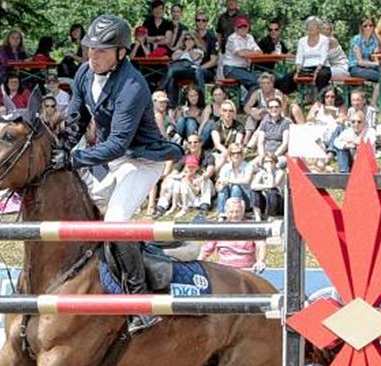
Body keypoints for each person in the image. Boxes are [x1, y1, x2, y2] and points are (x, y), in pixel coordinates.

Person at [63, 14, 183, 333]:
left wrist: (74, 160)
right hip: (112, 158)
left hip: (142, 160)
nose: (92, 55)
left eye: (102, 50)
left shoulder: (133, 85)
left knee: (115, 221)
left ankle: (138, 304)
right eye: (90, 48)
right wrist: (60, 151)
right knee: (83, 205)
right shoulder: (83, 74)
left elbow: (118, 144)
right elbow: (74, 122)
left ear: (121, 52)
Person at [198, 198, 267, 272]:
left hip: (247, 270)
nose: (234, 215)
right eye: (231, 212)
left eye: (237, 212)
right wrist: (197, 264)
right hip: (225, 272)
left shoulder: (251, 227)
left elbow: (261, 245)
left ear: (243, 212)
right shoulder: (219, 228)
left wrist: (260, 260)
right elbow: (206, 249)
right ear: (226, 212)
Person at [282, 17, 332, 94]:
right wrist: (298, 71)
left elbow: (323, 57)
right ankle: (284, 99)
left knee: (321, 76)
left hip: (321, 67)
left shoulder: (324, 39)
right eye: (309, 25)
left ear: (318, 27)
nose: (311, 27)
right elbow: (299, 57)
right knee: (287, 78)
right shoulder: (302, 41)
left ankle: (321, 100)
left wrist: (317, 71)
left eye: (314, 25)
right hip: (306, 68)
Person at [164, 32, 207, 108]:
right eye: (186, 39)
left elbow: (194, 58)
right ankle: (172, 106)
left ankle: (159, 88)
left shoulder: (198, 51)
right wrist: (185, 49)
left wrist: (190, 49)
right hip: (179, 72)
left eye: (191, 39)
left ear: (195, 41)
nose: (188, 41)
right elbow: (174, 58)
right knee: (172, 77)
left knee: (172, 70)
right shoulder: (179, 51)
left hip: (191, 71)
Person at [222, 17, 261, 96]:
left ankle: (248, 103)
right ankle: (247, 105)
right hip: (231, 68)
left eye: (245, 26)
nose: (243, 29)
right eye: (240, 27)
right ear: (236, 29)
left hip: (244, 69)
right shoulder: (232, 38)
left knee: (262, 82)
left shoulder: (250, 37)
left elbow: (260, 52)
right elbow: (241, 54)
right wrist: (251, 52)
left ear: (248, 28)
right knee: (256, 83)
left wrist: (246, 52)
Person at [215, 142, 253, 218]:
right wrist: (221, 185)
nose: (236, 155)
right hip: (228, 196)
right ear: (230, 155)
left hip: (245, 199)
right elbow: (218, 187)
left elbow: (246, 181)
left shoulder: (248, 166)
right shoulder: (225, 167)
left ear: (242, 154)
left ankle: (236, 212)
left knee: (236, 187)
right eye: (233, 153)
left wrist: (229, 181)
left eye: (238, 152)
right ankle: (221, 214)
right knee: (223, 191)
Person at [250, 97, 290, 166]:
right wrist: (261, 155)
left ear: (280, 108)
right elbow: (260, 142)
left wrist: (273, 156)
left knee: (270, 166)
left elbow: (285, 144)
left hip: (279, 155)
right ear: (268, 109)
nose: (274, 109)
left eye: (276, 107)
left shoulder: (286, 123)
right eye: (271, 107)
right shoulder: (265, 122)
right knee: (250, 166)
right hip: (265, 154)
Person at [349, 19, 381, 99]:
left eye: (370, 25)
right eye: (365, 26)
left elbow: (376, 58)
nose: (368, 28)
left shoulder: (374, 41)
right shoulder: (357, 39)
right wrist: (374, 64)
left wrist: (374, 63)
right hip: (355, 68)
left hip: (368, 67)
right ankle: (373, 103)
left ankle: (376, 101)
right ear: (361, 27)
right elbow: (359, 62)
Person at [250, 153, 284, 220]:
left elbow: (273, 185)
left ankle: (272, 216)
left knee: (272, 191)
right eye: (266, 162)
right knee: (254, 192)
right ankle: (258, 217)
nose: (268, 164)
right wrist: (265, 186)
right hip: (265, 199)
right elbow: (253, 186)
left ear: (275, 163)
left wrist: (269, 172)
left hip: (278, 200)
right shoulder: (261, 172)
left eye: (270, 162)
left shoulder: (280, 172)